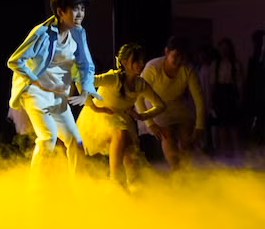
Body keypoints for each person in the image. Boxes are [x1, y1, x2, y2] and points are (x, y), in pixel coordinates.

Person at [6, 0, 98, 178]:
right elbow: (14, 61)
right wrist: (35, 81)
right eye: (75, 9)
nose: (80, 14)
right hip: (35, 93)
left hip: (58, 94)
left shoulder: (78, 32)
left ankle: (78, 186)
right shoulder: (42, 33)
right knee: (48, 138)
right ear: (60, 12)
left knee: (75, 142)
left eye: (82, 9)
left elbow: (86, 64)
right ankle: (35, 188)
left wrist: (85, 91)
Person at [78, 43, 165, 191]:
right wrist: (93, 107)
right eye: (136, 60)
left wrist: (141, 116)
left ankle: (132, 188)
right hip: (100, 117)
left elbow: (160, 105)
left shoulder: (140, 84)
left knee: (130, 154)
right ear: (124, 62)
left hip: (120, 119)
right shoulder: (113, 78)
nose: (141, 64)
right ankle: (116, 181)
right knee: (120, 133)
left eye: (142, 60)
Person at [137, 36, 206, 170]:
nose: (179, 61)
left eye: (183, 57)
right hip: (155, 106)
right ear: (167, 52)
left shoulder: (187, 70)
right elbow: (139, 97)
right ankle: (176, 169)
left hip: (176, 105)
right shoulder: (153, 67)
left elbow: (199, 100)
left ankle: (184, 169)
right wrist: (150, 124)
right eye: (176, 56)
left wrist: (199, 126)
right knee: (167, 135)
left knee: (187, 136)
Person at [209, 37, 243, 158]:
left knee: (233, 126)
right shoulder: (215, 64)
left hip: (231, 95)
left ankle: (237, 155)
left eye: (226, 48)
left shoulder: (235, 64)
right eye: (222, 48)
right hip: (220, 95)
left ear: (230, 49)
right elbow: (212, 84)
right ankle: (224, 155)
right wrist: (211, 100)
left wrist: (240, 98)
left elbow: (239, 83)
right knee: (221, 127)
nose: (224, 51)